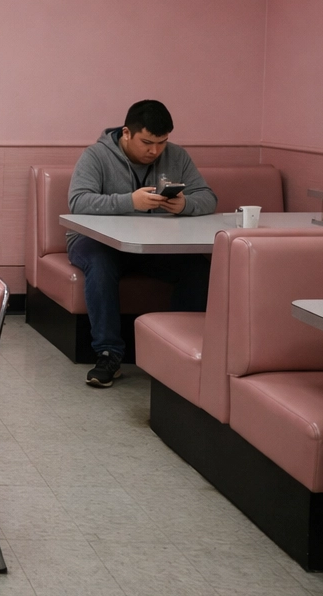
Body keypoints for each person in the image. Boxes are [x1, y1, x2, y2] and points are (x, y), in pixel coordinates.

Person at [67, 100, 216, 389]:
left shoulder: (177, 157)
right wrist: (129, 202)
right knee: (100, 265)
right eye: (147, 142)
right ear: (126, 133)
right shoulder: (96, 155)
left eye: (162, 142)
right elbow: (77, 201)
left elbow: (208, 197)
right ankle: (108, 354)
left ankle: (177, 350)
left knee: (197, 267)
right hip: (96, 242)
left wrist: (185, 204)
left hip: (152, 246)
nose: (155, 151)